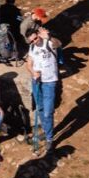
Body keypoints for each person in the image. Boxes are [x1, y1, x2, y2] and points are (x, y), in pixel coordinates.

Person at [26, 27, 60, 158]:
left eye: (36, 37)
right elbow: (29, 64)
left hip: (49, 82)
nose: (35, 41)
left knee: (47, 111)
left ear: (39, 35)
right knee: (39, 109)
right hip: (37, 82)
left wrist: (49, 36)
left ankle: (50, 139)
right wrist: (33, 72)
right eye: (32, 40)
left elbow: (58, 44)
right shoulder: (32, 48)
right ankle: (47, 132)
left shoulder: (48, 42)